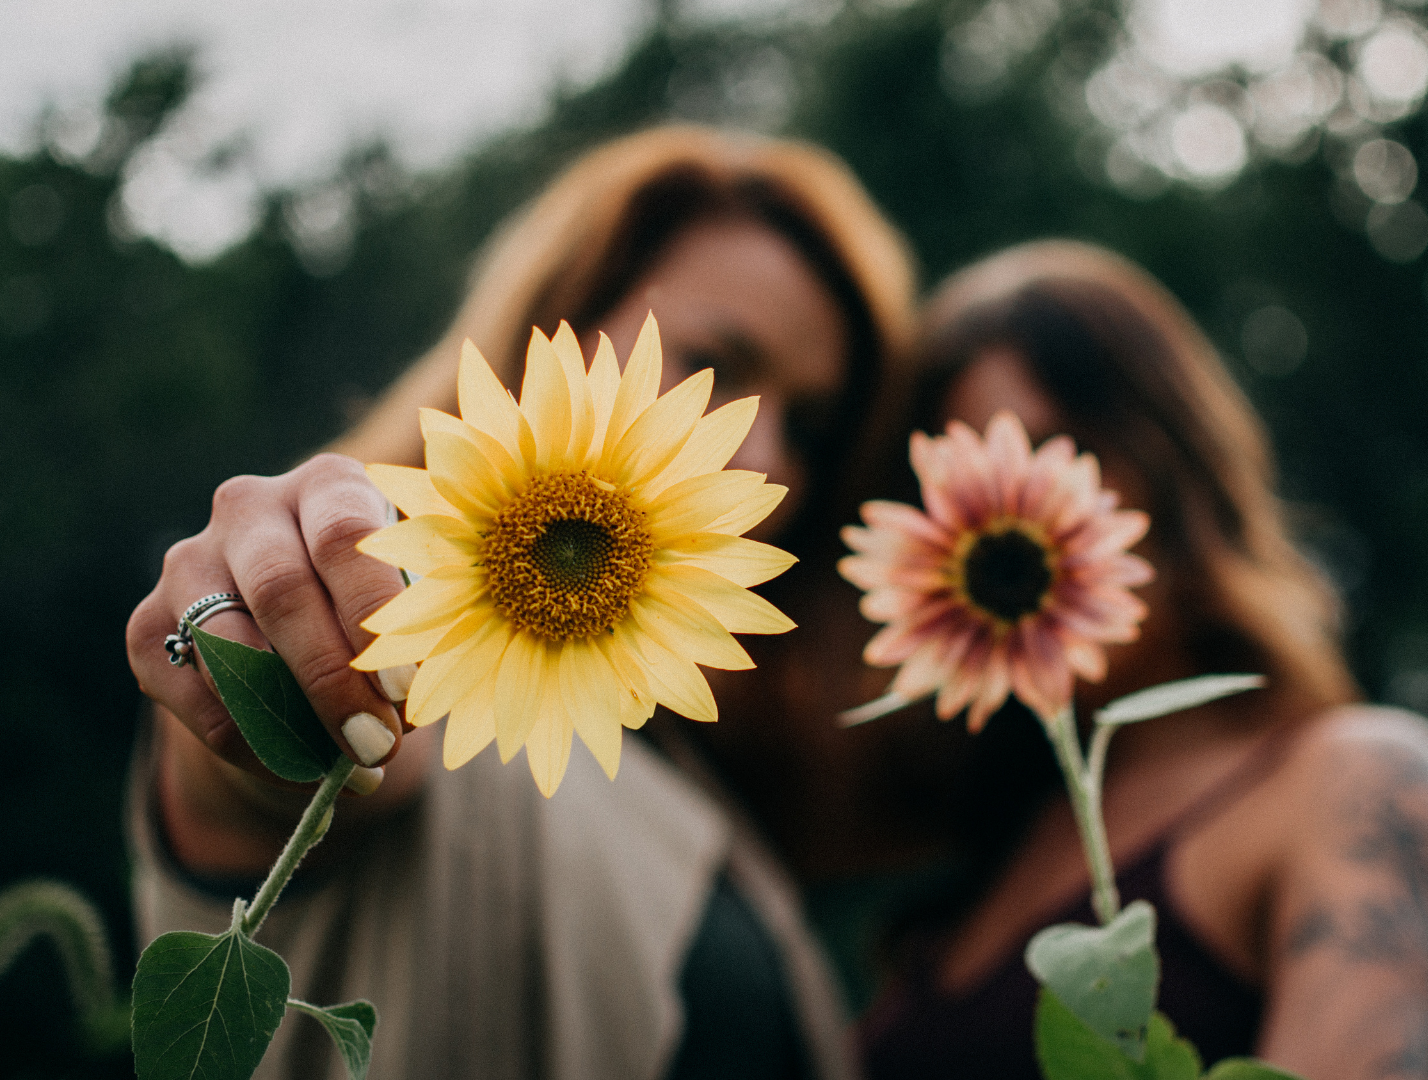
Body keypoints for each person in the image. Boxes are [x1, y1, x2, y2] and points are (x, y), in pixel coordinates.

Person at [124, 124, 918, 1080]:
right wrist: (258, 648)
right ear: (560, 329)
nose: (762, 453)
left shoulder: (675, 756)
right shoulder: (413, 654)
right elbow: (306, 763)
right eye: (716, 364)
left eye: (812, 426)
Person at [858, 241, 1428, 1080]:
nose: (1018, 512)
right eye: (955, 487)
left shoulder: (1353, 785)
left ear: (1174, 465)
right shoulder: (989, 851)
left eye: (1058, 455)